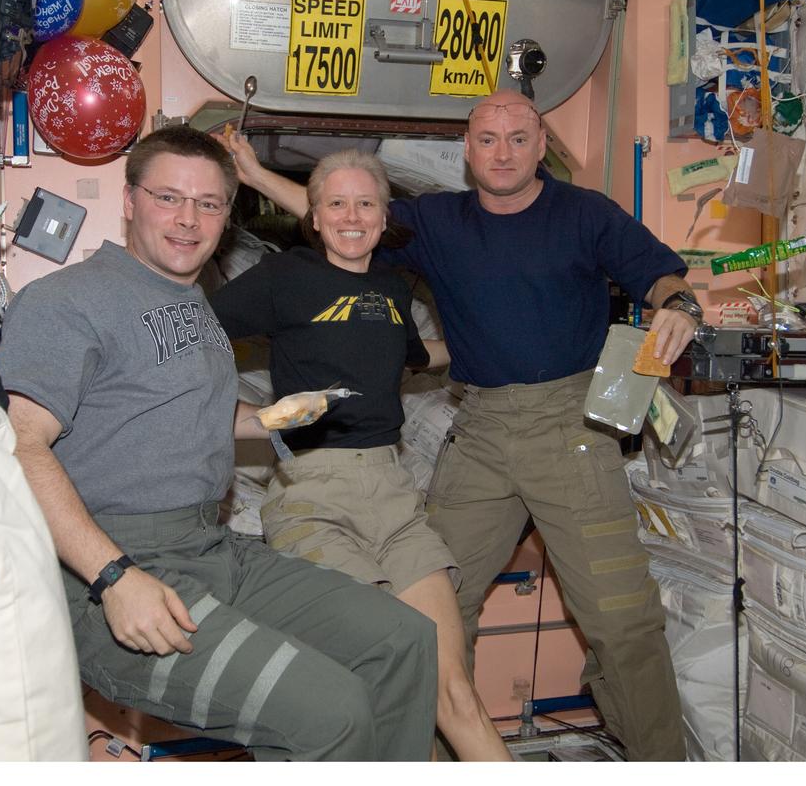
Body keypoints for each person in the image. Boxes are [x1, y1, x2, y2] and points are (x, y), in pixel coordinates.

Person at [225, 90, 697, 760]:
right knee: (438, 612)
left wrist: (679, 304)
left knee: (622, 621)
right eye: (486, 139)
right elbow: (347, 220)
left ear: (540, 146)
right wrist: (255, 175)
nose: (502, 152)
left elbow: (661, 276)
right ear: (467, 151)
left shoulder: (586, 214)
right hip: (479, 431)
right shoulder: (438, 222)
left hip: (571, 429)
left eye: (518, 138)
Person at [0, 125, 438, 761]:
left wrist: (267, 418)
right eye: (168, 197)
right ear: (129, 201)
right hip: (113, 565)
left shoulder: (193, 298)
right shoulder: (67, 301)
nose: (188, 219)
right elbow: (22, 445)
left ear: (227, 216)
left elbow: (175, 403)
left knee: (405, 638)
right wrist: (114, 577)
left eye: (208, 204)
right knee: (332, 712)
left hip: (211, 546)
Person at [209, 149, 512, 761]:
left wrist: (486, 342)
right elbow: (198, 331)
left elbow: (411, 354)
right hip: (314, 498)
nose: (352, 216)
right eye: (336, 204)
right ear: (313, 218)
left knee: (452, 693)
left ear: (384, 215)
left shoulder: (389, 289)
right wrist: (226, 418)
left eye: (366, 203)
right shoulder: (285, 277)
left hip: (395, 498)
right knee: (373, 693)